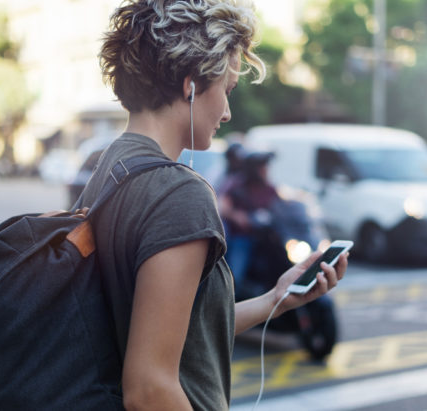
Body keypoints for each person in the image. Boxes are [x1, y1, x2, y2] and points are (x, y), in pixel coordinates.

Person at [78, 0, 349, 409]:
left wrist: (276, 299)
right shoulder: (179, 194)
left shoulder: (111, 168)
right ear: (191, 85)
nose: (226, 112)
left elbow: (175, 330)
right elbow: (149, 389)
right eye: (227, 89)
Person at [218, 151, 278, 286]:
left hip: (266, 238)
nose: (265, 170)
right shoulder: (237, 184)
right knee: (235, 276)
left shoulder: (269, 187)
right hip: (243, 236)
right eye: (262, 167)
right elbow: (222, 206)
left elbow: (282, 205)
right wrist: (237, 216)